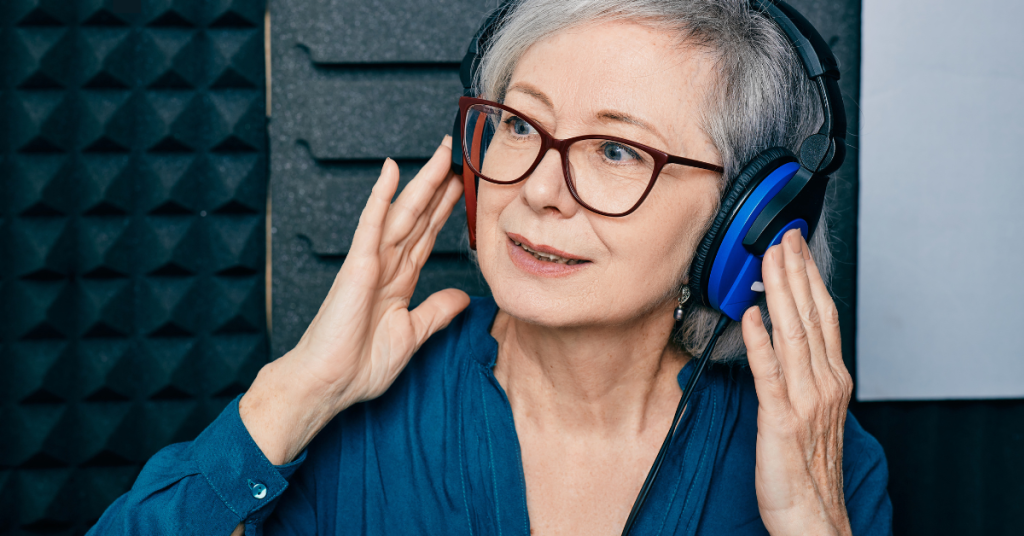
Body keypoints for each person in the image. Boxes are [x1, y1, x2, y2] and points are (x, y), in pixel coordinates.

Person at [90, 0, 891, 534]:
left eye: (617, 150)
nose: (538, 190)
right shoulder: (349, 421)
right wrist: (292, 396)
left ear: (743, 222)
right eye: (519, 125)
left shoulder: (818, 454)